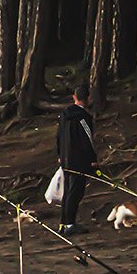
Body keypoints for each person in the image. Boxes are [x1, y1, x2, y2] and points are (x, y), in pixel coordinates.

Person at [55, 83, 97, 233]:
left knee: (67, 191)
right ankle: (70, 224)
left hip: (65, 158)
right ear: (88, 98)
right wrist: (93, 158)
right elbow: (87, 139)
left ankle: (63, 223)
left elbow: (58, 136)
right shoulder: (83, 117)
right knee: (76, 192)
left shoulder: (63, 116)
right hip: (78, 159)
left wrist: (60, 154)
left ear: (74, 97)